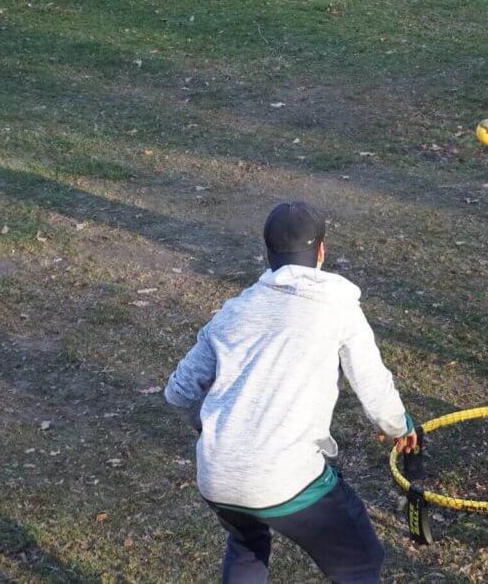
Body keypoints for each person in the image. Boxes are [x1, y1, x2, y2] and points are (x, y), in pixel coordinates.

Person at [164, 201, 417, 584]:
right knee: (360, 561)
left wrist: (211, 426)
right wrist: (400, 428)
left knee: (247, 545)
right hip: (285, 478)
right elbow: (373, 386)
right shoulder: (338, 305)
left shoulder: (233, 311)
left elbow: (179, 392)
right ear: (321, 253)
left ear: (267, 255)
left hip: (218, 476)